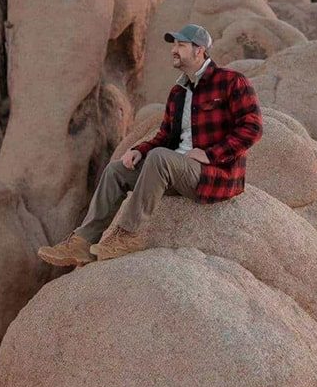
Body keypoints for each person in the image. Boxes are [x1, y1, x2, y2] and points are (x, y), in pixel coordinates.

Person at [38, 24, 263, 267]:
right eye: (173, 45)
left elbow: (252, 128)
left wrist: (211, 154)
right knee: (116, 171)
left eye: (180, 45)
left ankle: (127, 235)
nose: (173, 50)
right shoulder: (179, 92)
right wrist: (138, 150)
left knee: (159, 158)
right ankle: (83, 243)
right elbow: (165, 135)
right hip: (173, 169)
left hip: (213, 175)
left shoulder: (231, 82)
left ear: (199, 50)